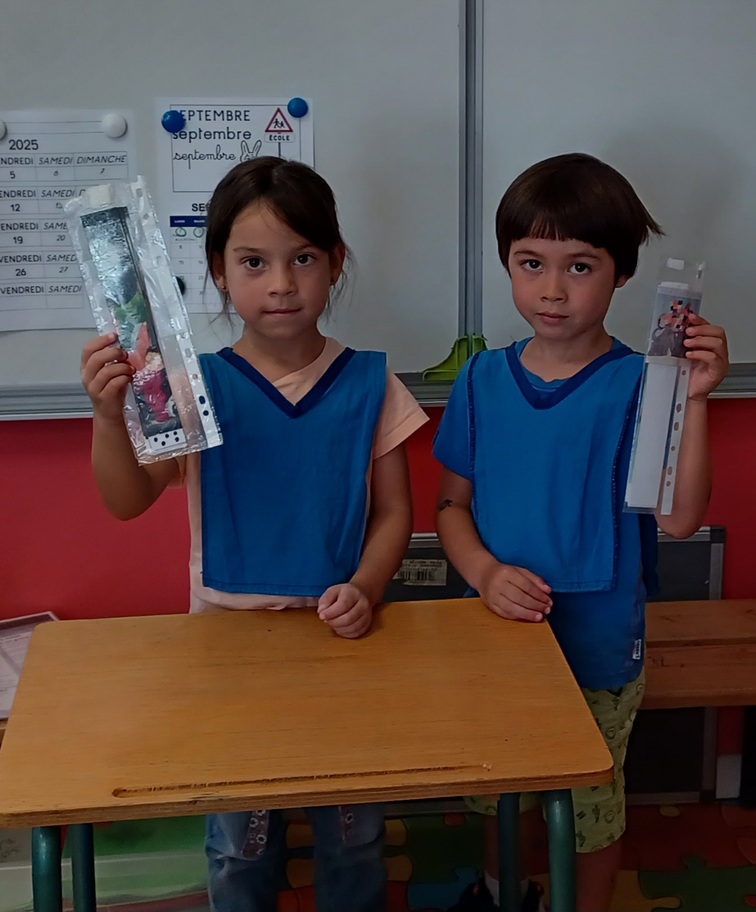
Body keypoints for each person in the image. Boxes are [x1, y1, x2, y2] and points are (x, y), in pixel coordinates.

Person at [81, 156, 428, 912]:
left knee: (355, 836)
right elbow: (128, 498)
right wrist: (110, 416)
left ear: (335, 263)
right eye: (253, 262)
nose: (280, 284)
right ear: (218, 270)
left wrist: (366, 587)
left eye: (302, 258)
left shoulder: (372, 383)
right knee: (239, 845)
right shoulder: (190, 385)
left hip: (344, 648)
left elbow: (395, 512)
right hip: (226, 652)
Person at [433, 153, 729, 912]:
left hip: (597, 646)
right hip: (495, 637)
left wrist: (694, 400)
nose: (553, 290)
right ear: (507, 263)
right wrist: (485, 573)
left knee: (591, 807)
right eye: (531, 263)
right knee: (500, 792)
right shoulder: (481, 380)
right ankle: (502, 893)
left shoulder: (645, 382)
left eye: (581, 266)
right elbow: (451, 508)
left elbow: (680, 519)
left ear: (622, 273)